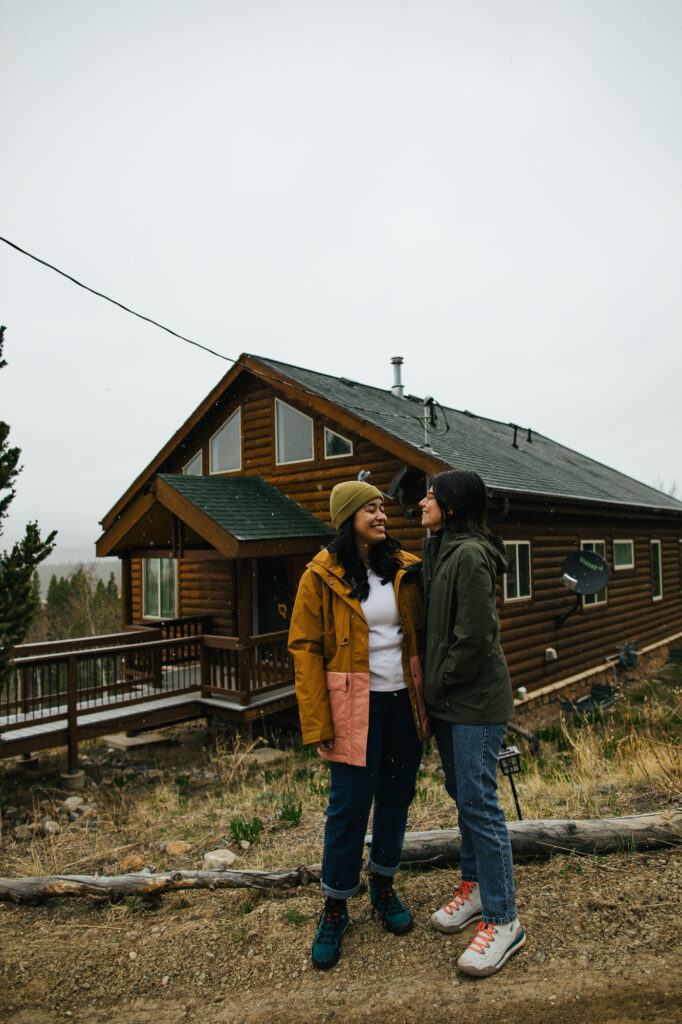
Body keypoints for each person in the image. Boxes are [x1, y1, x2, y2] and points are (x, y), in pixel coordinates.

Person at [289, 480, 428, 969]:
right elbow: (304, 648)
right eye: (370, 508)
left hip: (402, 702)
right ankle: (335, 906)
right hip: (352, 706)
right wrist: (316, 719)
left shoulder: (405, 568)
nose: (381, 514)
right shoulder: (320, 576)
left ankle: (384, 887)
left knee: (395, 796)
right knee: (348, 807)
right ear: (348, 517)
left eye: (382, 507)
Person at [420, 469, 526, 977]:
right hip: (448, 701)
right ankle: (477, 889)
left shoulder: (470, 555)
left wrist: (437, 683)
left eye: (432, 497)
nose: (423, 503)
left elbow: (477, 634)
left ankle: (505, 920)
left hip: (475, 702)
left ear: (454, 507)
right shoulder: (439, 548)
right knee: (464, 797)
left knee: (481, 804)